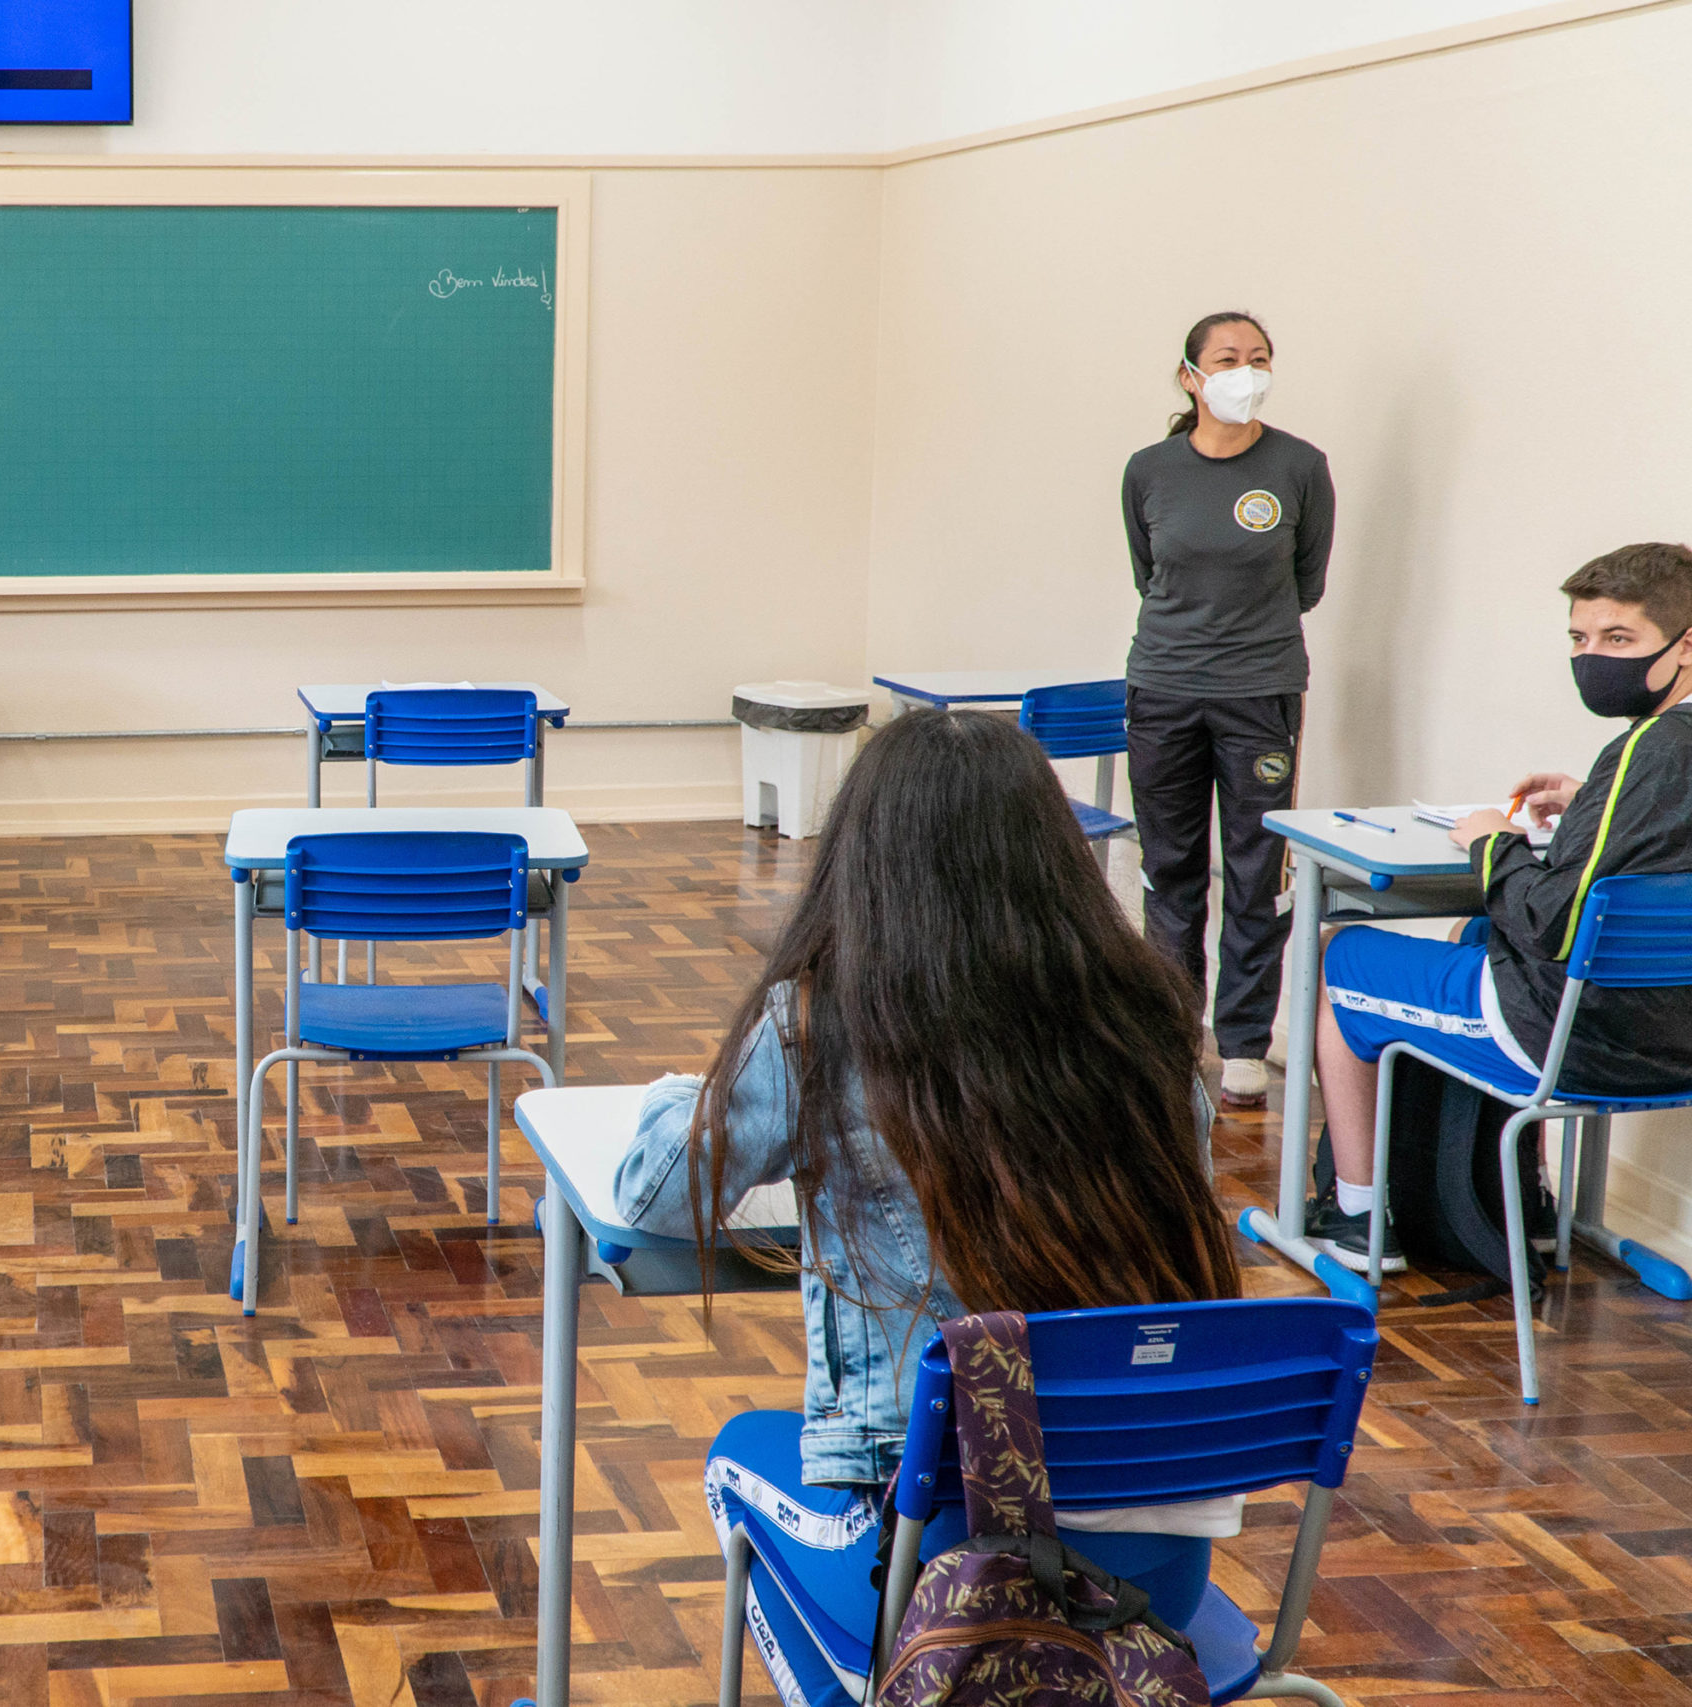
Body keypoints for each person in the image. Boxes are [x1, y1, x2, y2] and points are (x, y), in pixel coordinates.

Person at [613, 709, 1243, 1707]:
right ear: (1055, 856)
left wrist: (670, 1094)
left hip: (943, 1567)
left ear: (862, 861)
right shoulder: (1150, 1023)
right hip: (1160, 1575)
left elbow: (656, 1194)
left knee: (733, 1464)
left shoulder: (823, 1019)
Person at [1310, 543, 1692, 1271]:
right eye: (1579, 639)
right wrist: (1590, 805)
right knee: (1473, 929)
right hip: (1676, 1042)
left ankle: (1358, 1217)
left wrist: (1493, 841)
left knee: (1343, 958)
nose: (1592, 658)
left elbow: (1556, 922)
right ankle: (1529, 1200)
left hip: (1580, 1039)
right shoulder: (1660, 755)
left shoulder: (1649, 746)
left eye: (1618, 639)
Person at [1124, 311, 1335, 1110]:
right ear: (1191, 376)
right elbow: (1151, 575)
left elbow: (1306, 582)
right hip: (1164, 688)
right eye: (1227, 358)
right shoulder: (1148, 470)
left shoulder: (1301, 466)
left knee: (1256, 869)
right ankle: (1170, 1035)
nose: (1245, 371)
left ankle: (1244, 1042)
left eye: (1259, 358)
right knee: (1169, 869)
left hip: (1261, 692)